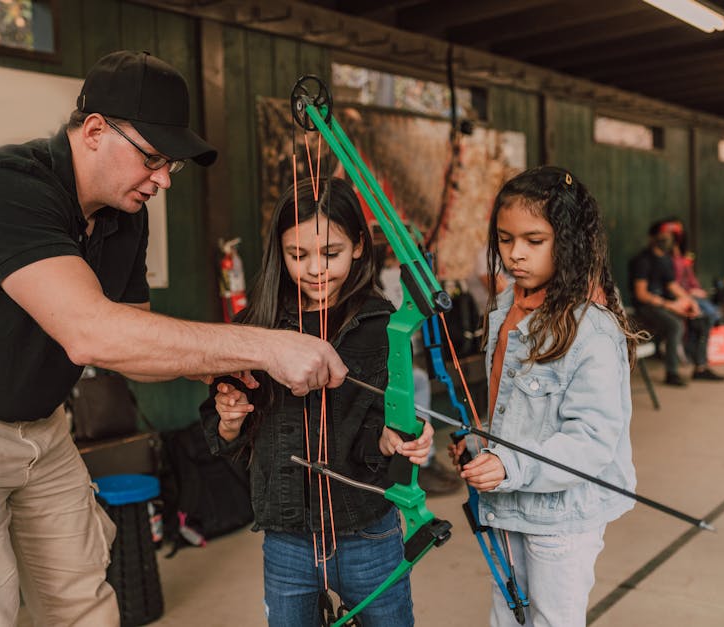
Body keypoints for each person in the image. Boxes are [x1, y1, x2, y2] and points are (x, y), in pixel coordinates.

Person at [0, 50, 346, 627]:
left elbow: (133, 342)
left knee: (84, 597)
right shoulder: (5, 189)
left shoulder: (125, 214)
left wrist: (211, 367)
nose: (163, 179)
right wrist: (268, 346)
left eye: (174, 165)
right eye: (154, 159)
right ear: (94, 131)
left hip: (40, 422)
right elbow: (92, 334)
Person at [200, 177, 434, 627]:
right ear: (279, 252)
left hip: (367, 529)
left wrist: (394, 437)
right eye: (297, 255)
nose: (315, 269)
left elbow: (381, 425)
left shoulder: (382, 323)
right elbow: (223, 425)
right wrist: (230, 419)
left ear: (360, 246)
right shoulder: (257, 325)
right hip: (288, 536)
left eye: (331, 253)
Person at [450, 166, 640, 627]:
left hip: (561, 516)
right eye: (505, 239)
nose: (515, 255)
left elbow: (592, 440)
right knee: (507, 615)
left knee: (553, 620)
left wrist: (509, 464)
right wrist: (482, 445)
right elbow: (511, 410)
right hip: (508, 502)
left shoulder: (592, 330)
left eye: (534, 241)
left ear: (571, 241)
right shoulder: (504, 308)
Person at [378, 247, 461, 495]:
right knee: (415, 381)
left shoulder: (396, 279)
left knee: (419, 379)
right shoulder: (374, 284)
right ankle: (419, 464)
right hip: (378, 364)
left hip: (398, 356)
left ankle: (426, 458)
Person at [629, 220, 724, 386]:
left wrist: (689, 301)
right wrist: (670, 305)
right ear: (652, 237)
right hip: (646, 307)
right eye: (663, 235)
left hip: (665, 303)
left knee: (701, 317)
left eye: (669, 236)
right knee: (676, 325)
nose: (667, 239)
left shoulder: (666, 260)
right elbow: (641, 294)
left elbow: (672, 285)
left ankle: (700, 368)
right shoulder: (642, 260)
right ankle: (671, 373)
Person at [660, 219, 722, 326]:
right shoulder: (666, 259)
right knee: (708, 314)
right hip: (678, 297)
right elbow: (671, 285)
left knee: (714, 311)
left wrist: (697, 290)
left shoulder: (684, 257)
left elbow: (691, 278)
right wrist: (689, 293)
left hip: (691, 295)